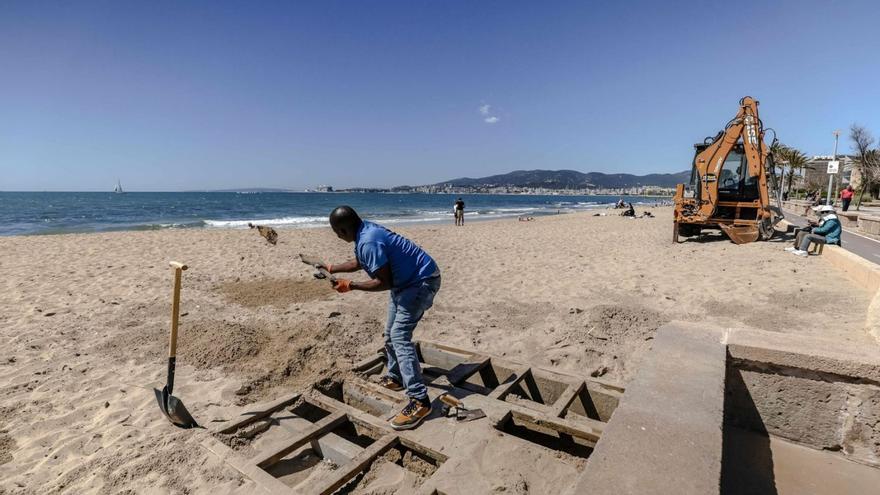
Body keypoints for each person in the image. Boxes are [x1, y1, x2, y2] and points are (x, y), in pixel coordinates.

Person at [319, 206, 441, 430]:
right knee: (389, 333)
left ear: (344, 230)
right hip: (407, 282)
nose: (336, 236)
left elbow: (385, 283)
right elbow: (360, 262)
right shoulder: (363, 232)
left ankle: (420, 401)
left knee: (399, 336)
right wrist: (331, 267)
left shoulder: (369, 241)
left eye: (336, 232)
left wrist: (351, 285)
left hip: (421, 282)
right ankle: (396, 377)